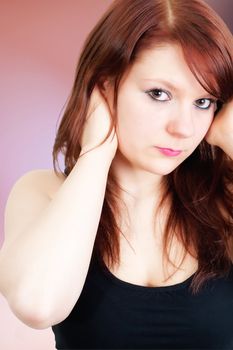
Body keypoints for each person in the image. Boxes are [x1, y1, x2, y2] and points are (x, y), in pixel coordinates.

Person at [0, 0, 233, 349]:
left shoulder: (223, 196)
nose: (184, 128)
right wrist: (97, 148)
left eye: (203, 102)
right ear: (105, 87)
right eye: (159, 94)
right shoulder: (42, 192)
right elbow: (37, 305)